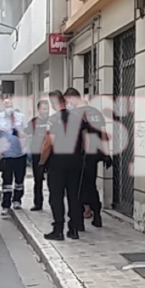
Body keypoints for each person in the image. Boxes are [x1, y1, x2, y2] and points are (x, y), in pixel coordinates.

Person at [39, 90, 88, 241]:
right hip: (75, 163)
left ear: (53, 103)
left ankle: (58, 229)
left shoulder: (53, 120)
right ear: (64, 101)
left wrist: (41, 162)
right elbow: (86, 142)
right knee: (74, 196)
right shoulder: (78, 118)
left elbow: (48, 144)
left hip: (57, 164)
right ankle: (74, 229)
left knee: (56, 197)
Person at [64, 88, 111, 228]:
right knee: (91, 185)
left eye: (67, 101)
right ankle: (96, 214)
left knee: (77, 187)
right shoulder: (96, 113)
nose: (68, 104)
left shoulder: (75, 114)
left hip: (80, 155)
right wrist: (107, 154)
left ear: (72, 98)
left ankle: (79, 220)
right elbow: (104, 135)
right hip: (94, 154)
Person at [0, 98, 28, 215]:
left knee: (19, 180)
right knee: (7, 182)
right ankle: (6, 205)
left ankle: (17, 200)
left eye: (10, 105)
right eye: (6, 106)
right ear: (3, 107)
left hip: (20, 154)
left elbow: (26, 133)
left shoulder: (21, 117)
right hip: (6, 156)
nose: (9, 108)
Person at [24, 100, 50, 211]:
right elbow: (25, 132)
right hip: (37, 154)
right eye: (44, 109)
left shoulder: (52, 121)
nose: (46, 111)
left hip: (50, 154)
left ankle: (54, 203)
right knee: (38, 180)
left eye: (47, 108)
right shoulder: (34, 122)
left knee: (52, 181)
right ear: (38, 110)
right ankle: (38, 203)